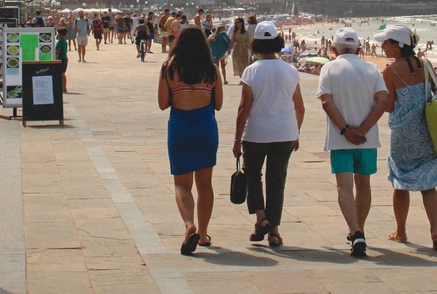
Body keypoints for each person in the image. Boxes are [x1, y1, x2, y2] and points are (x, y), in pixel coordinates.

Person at [317, 27, 388, 258]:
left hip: (340, 140)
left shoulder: (328, 69)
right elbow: (382, 101)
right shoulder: (372, 69)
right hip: (367, 139)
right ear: (358, 48)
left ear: (334, 48)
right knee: (364, 185)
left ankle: (355, 231)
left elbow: (327, 103)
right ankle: (360, 230)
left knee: (344, 186)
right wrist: (363, 129)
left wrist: (346, 130)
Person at [233, 21, 304, 248]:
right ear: (277, 43)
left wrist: (237, 140)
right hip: (285, 132)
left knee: (252, 175)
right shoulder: (290, 71)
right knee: (277, 180)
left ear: (256, 44)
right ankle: (274, 232)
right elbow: (299, 107)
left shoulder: (251, 71)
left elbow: (244, 108)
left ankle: (261, 218)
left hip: (256, 133)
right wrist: (296, 132)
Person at [380, 25, 437, 251]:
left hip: (403, 134)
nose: (382, 46)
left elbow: (389, 106)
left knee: (400, 183)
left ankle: (401, 231)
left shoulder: (390, 72)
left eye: (386, 42)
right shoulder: (425, 65)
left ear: (397, 46)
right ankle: (435, 231)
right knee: (429, 184)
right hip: (427, 131)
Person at [157, 26, 222, 254]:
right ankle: (203, 234)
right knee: (205, 185)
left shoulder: (169, 68)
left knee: (182, 184)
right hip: (205, 126)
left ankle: (189, 224)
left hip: (180, 126)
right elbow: (219, 104)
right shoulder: (212, 70)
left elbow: (162, 103)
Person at [55, 26, 69, 92]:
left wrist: (56, 60)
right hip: (65, 58)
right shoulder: (65, 41)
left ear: (60, 34)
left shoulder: (60, 41)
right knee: (62, 73)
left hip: (61, 58)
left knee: (61, 73)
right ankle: (63, 87)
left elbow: (58, 51)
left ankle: (63, 87)